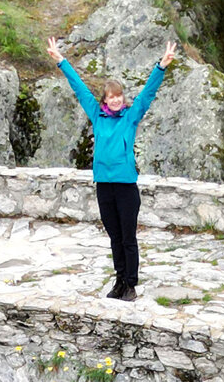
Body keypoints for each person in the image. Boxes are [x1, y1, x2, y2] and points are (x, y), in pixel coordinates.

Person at [47, 36, 180, 301]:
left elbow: (147, 94)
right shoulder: (97, 116)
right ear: (105, 100)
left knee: (128, 237)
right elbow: (80, 89)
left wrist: (161, 66)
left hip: (126, 186)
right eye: (112, 97)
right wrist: (61, 61)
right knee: (114, 236)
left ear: (122, 98)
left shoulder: (131, 117)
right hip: (104, 186)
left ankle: (131, 284)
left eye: (119, 96)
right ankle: (119, 280)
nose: (116, 100)